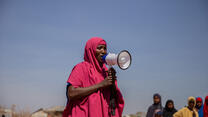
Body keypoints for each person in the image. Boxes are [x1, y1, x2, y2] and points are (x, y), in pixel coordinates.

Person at [63, 37, 124, 117]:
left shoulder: (105, 72)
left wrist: (112, 84)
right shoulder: (81, 68)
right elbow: (71, 93)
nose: (103, 51)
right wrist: (100, 85)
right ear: (90, 50)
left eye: (105, 48)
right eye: (99, 48)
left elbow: (112, 102)